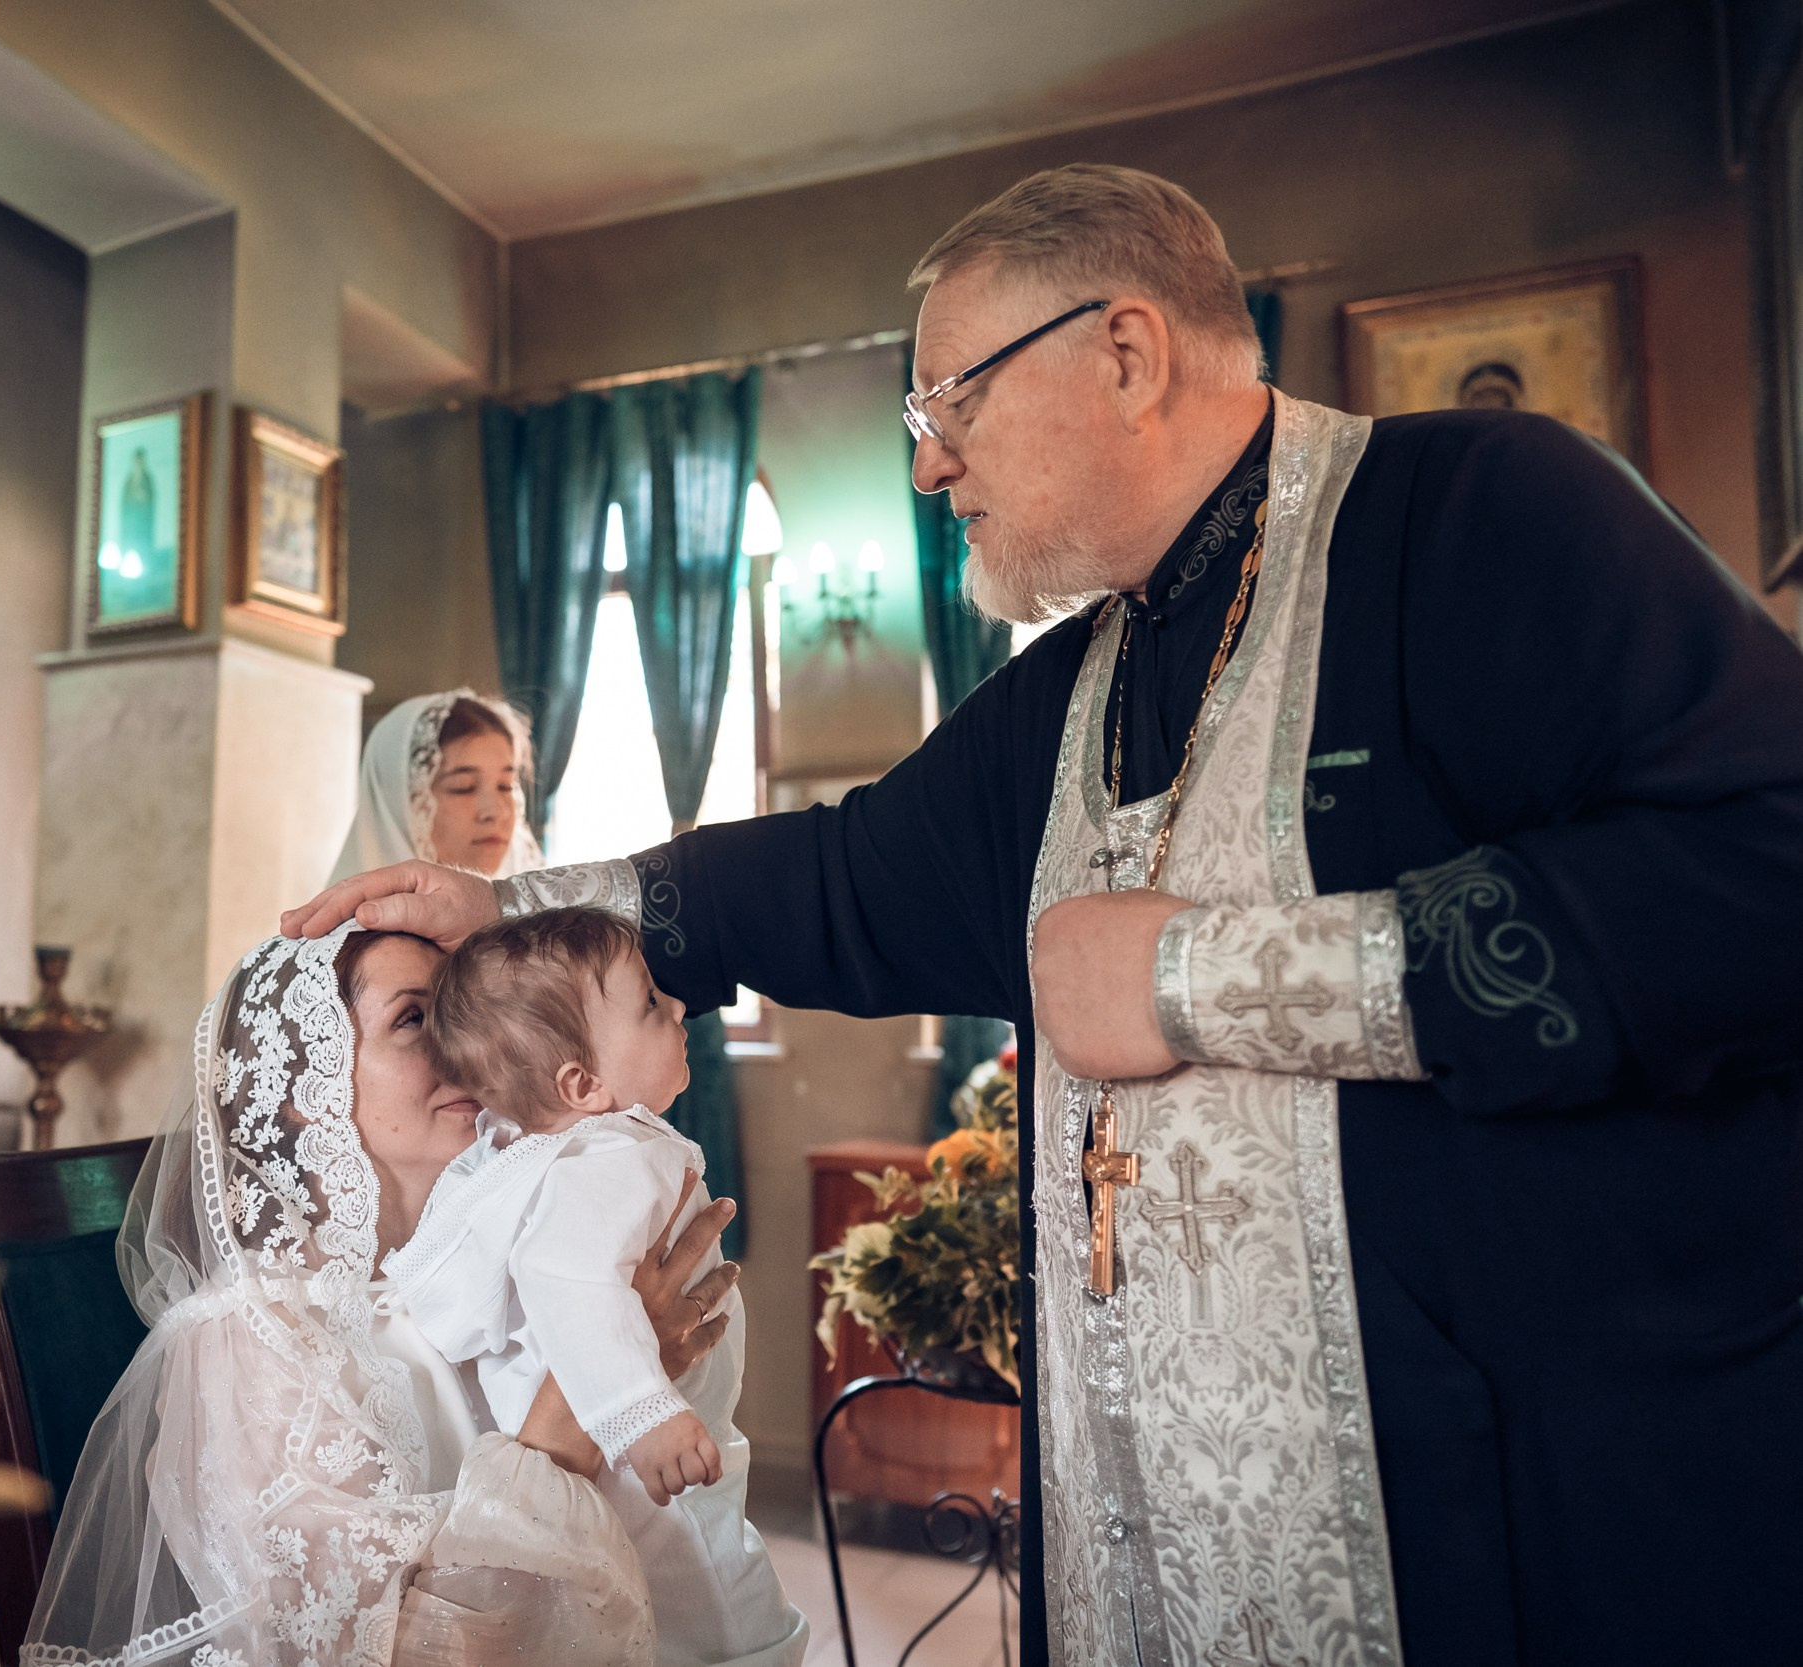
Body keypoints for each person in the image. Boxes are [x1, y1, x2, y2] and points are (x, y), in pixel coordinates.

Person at [284, 164, 1803, 1667]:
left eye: (951, 404)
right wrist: (514, 903)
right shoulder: (1078, 685)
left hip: (1515, 1507)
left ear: (1126, 354)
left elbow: (1764, 856)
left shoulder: (1481, 512)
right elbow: (833, 876)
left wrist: (1200, 975)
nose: (932, 467)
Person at [22, 926, 740, 1667]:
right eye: (417, 1018)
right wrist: (598, 1389)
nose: (471, 1044)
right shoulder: (245, 1340)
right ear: (310, 1085)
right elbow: (409, 1650)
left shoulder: (486, 1263)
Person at [400, 907, 807, 1667]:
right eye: (650, 1001)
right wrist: (641, 1412)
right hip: (631, 1455)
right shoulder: (610, 1157)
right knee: (719, 1605)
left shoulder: (576, 1149)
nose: (679, 1006)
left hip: (638, 1446)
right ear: (582, 1083)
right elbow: (567, 1277)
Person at [330, 688, 539, 884]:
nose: (497, 811)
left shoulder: (532, 917)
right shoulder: (362, 920)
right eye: (463, 787)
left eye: (505, 786)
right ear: (401, 803)